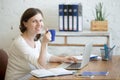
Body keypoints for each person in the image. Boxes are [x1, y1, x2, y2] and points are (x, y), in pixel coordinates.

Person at [5, 8, 77, 80]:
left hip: (32, 77)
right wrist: (44, 43)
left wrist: (63, 59)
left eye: (40, 20)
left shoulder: (35, 39)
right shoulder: (20, 43)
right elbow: (41, 66)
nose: (39, 24)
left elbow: (46, 56)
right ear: (25, 23)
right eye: (34, 21)